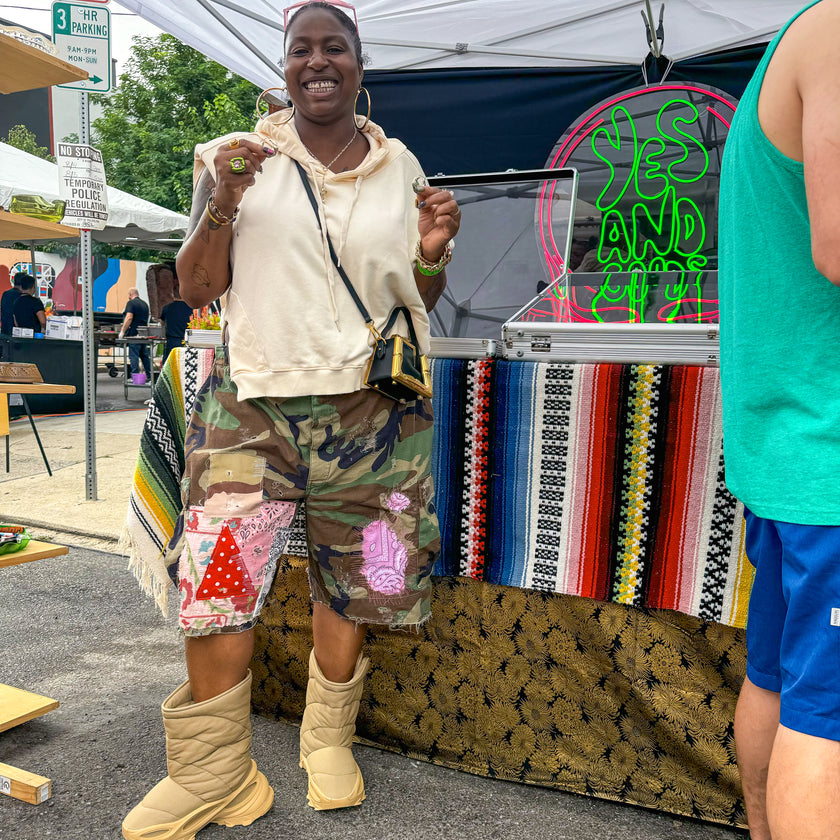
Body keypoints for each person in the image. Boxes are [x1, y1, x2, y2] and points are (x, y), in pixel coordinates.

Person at [122, 3, 460, 838]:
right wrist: (226, 198)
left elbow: (418, 303)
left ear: (357, 63)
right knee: (218, 586)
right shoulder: (232, 158)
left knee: (353, 584)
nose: (318, 61)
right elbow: (197, 288)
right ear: (283, 66)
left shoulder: (399, 163)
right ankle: (214, 775)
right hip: (253, 408)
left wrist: (430, 253)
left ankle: (325, 740)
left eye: (334, 47)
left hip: (373, 414)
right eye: (301, 48)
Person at [718, 2, 840, 839]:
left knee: (781, 680)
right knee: (826, 714)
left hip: (791, 452)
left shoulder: (805, 33)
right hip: (825, 453)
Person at [118, 287, 151, 379]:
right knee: (144, 356)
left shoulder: (131, 303)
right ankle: (150, 375)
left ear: (130, 295)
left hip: (134, 334)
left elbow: (129, 317)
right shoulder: (145, 304)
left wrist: (122, 331)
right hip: (144, 334)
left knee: (134, 356)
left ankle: (135, 377)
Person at [159, 286, 192, 360]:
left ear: (172, 295)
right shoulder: (191, 308)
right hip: (186, 341)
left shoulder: (167, 307)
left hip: (171, 340)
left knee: (169, 365)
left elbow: (162, 322)